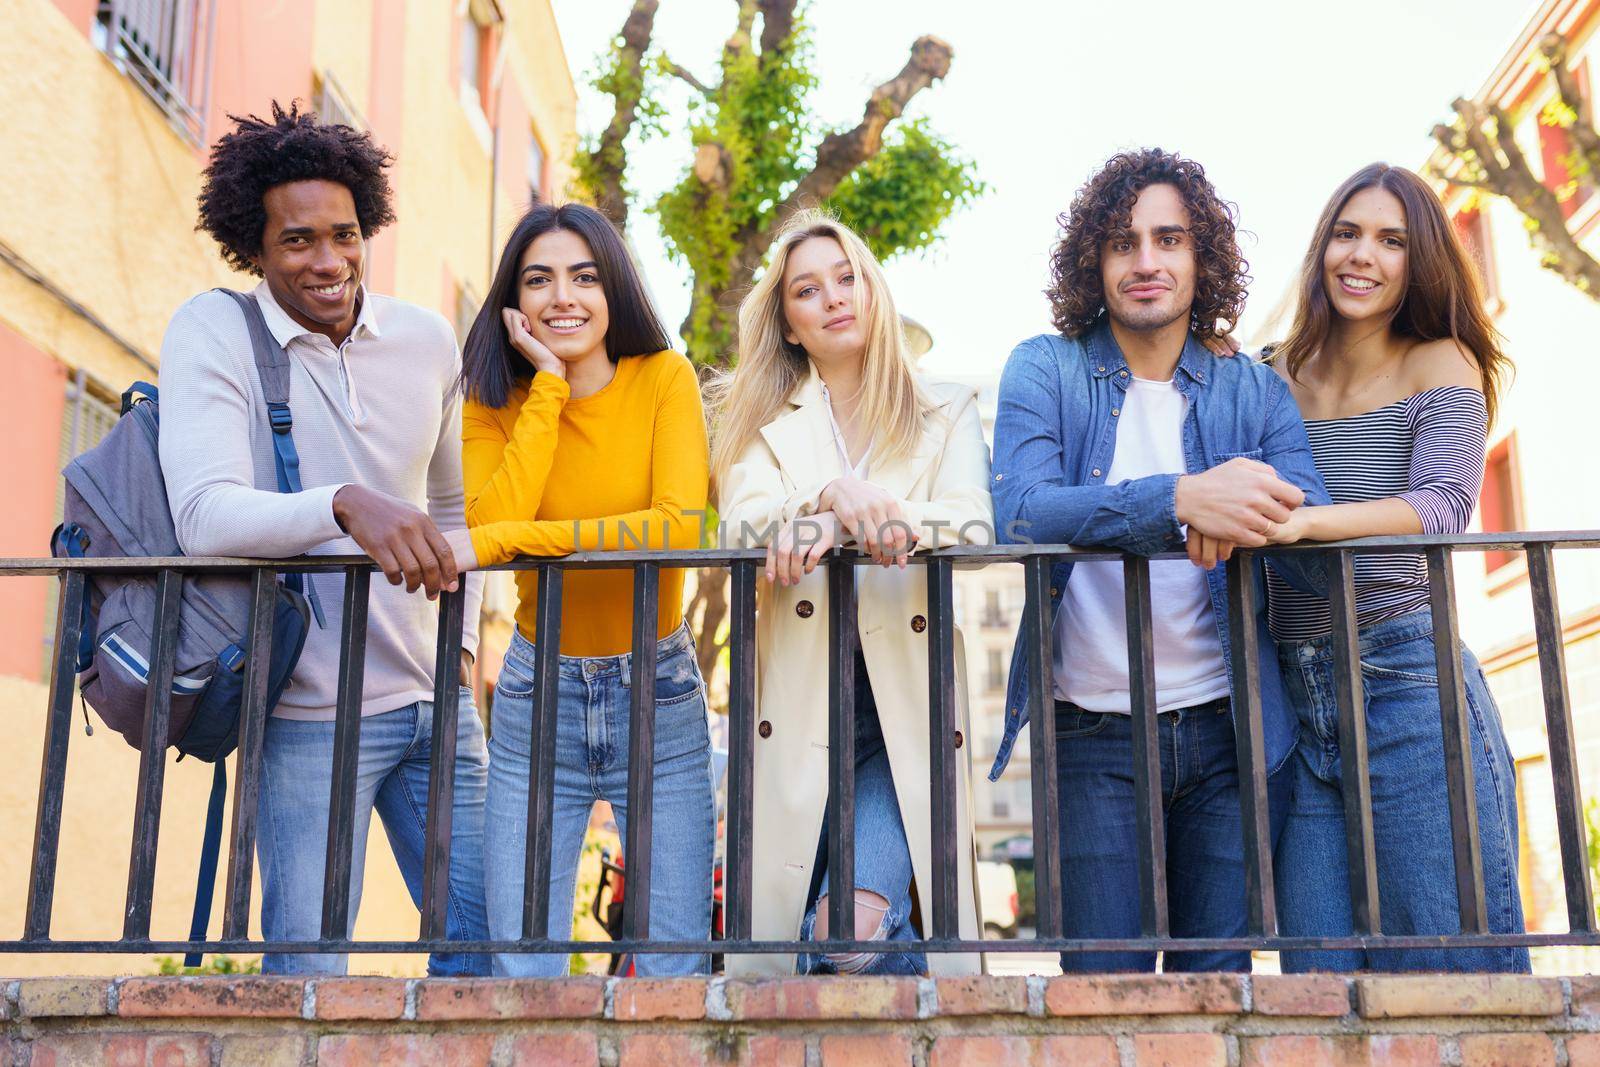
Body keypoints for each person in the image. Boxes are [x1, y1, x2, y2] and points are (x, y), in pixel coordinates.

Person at [158, 103, 487, 976]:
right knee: (310, 978)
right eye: (298, 240)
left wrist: (460, 645)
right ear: (254, 247)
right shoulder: (214, 332)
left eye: (345, 234)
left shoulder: (425, 338)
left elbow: (456, 506)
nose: (329, 261)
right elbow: (203, 513)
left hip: (437, 706)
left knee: (495, 955)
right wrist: (341, 503)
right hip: (305, 713)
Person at [989, 148, 1330, 973]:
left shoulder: (1251, 387)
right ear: (1094, 263)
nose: (1146, 261)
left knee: (1218, 991)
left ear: (1199, 255)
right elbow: (1023, 510)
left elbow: (1313, 537)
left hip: (1231, 730)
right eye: (1122, 242)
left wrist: (1244, 511)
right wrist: (1181, 500)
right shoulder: (1046, 368)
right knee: (1104, 995)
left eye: (1169, 239)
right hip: (1089, 734)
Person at [1258, 162, 1527, 972]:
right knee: (1319, 988)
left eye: (1390, 239)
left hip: (1404, 680)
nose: (1361, 255)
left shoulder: (1440, 362)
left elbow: (1444, 506)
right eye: (1347, 232)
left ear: (1421, 260)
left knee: (1447, 975)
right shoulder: (1273, 373)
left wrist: (1304, 523)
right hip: (1293, 701)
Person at [714, 210, 992, 977]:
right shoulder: (763, 422)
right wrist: (827, 498)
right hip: (796, 711)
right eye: (808, 289)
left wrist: (876, 514)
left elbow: (971, 522)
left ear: (873, 291)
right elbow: (740, 523)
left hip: (902, 711)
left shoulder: (946, 408)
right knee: (792, 956)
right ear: (791, 326)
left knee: (849, 929)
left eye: (847, 278)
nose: (834, 297)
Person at [448, 202, 714, 977]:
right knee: (523, 971)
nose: (562, 297)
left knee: (671, 969)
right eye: (539, 280)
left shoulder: (665, 379)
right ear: (513, 301)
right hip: (538, 697)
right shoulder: (494, 401)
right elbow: (492, 522)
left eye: (583, 277)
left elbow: (674, 530)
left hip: (657, 690)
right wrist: (550, 387)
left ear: (614, 290)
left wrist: (515, 542)